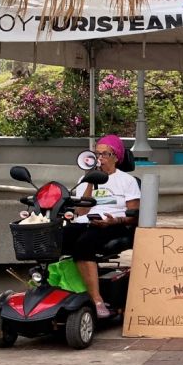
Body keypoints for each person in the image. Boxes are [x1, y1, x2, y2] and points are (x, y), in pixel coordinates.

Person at [62, 135, 140, 318]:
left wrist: (114, 221)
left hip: (114, 223)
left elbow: (134, 215)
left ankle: (97, 301)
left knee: (84, 243)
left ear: (116, 157)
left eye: (105, 154)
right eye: (97, 153)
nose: (100, 158)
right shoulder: (85, 178)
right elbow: (81, 212)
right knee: (60, 237)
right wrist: (90, 179)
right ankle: (66, 289)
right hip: (88, 221)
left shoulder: (127, 181)